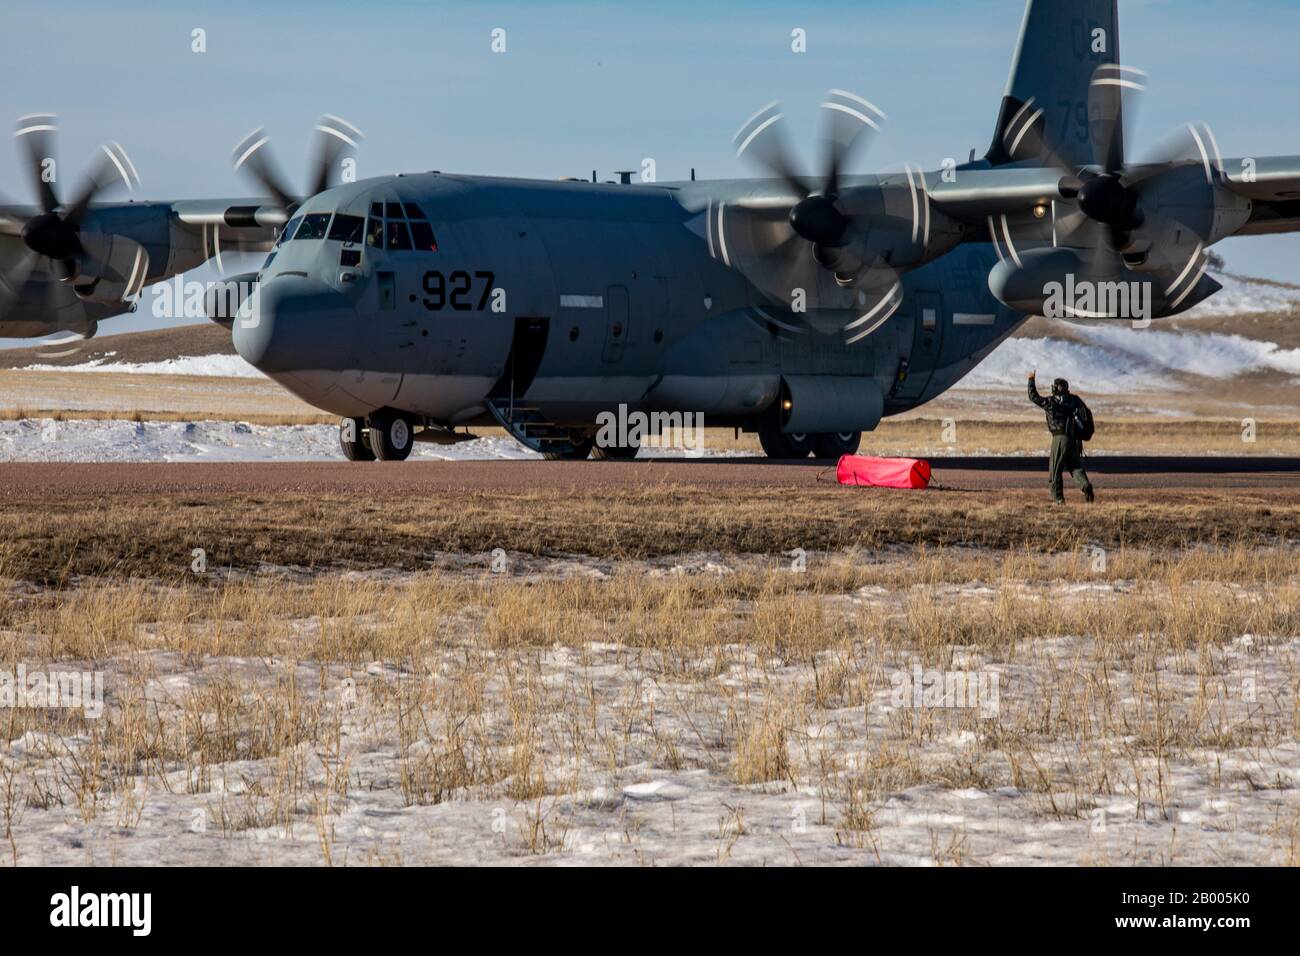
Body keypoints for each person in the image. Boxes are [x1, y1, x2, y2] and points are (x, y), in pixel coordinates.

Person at [1028, 371, 1095, 504]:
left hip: (1059, 438)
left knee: (1055, 469)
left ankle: (1058, 499)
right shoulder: (1074, 400)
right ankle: (1085, 486)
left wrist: (1031, 380)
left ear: (1056, 388)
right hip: (1074, 439)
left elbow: (1033, 397)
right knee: (1075, 466)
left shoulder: (1051, 402)